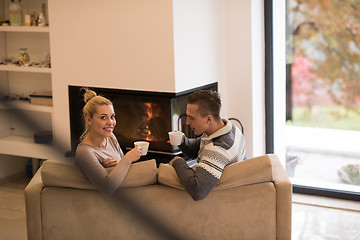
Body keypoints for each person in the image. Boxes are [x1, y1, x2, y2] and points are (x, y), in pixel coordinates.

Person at [169, 90, 246, 201]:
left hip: (222, 199)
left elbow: (197, 190)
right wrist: (183, 141)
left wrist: (178, 162)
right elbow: (200, 147)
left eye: (192, 118)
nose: (187, 123)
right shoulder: (230, 128)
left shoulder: (219, 148)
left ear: (209, 119)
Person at [75, 89, 142, 195]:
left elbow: (123, 170)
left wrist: (114, 167)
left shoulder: (110, 137)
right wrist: (128, 158)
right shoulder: (84, 152)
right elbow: (107, 188)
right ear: (89, 120)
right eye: (103, 117)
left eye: (112, 117)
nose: (110, 122)